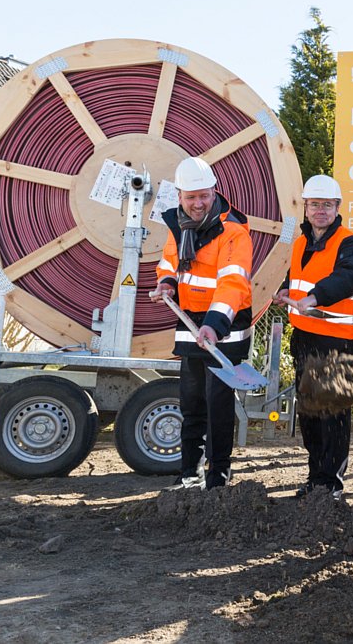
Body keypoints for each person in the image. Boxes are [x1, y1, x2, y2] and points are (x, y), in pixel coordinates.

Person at [153, 157, 253, 490]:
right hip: (189, 321)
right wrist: (167, 282)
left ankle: (218, 477)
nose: (197, 204)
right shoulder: (177, 225)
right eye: (190, 197)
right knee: (192, 401)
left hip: (224, 326)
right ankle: (188, 475)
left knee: (218, 406)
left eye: (204, 196)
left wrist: (213, 324)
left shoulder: (234, 233)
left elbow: (233, 285)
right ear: (180, 196)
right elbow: (168, 261)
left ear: (214, 192)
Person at [273, 175, 353, 501]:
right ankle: (316, 480)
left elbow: (351, 276)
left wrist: (315, 297)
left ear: (337, 208)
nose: (320, 211)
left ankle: (332, 486)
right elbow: (298, 276)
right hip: (306, 339)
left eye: (326, 205)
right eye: (314, 204)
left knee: (334, 417)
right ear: (305, 207)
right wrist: (285, 289)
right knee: (311, 415)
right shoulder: (301, 242)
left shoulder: (350, 242)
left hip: (339, 343)